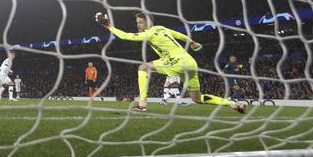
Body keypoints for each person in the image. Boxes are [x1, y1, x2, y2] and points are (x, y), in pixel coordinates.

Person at [95, 11, 246, 114]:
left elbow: (125, 36)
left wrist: (107, 25)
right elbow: (178, 34)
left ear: (148, 23)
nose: (138, 26)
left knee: (143, 68)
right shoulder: (161, 28)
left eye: (140, 23)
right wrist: (192, 42)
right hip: (190, 62)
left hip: (177, 62)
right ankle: (232, 103)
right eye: (137, 23)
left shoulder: (149, 33)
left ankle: (142, 104)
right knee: (197, 98)